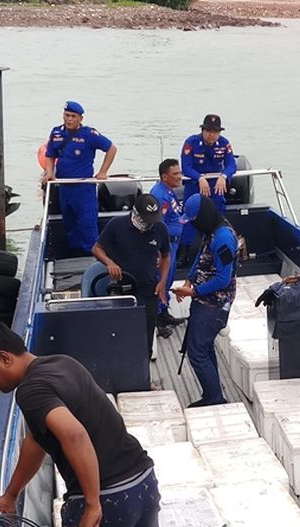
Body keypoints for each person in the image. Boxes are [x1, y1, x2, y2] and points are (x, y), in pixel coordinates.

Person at [0, 320, 159, 527]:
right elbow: (36, 441)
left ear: (4, 358)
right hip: (143, 483)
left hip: (108, 498)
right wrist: (11, 494)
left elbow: (74, 435)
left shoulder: (30, 391)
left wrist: (92, 504)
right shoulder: (63, 363)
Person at [172, 193, 238, 408]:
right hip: (202, 299)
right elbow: (201, 259)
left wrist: (195, 291)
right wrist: (189, 281)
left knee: (197, 352)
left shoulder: (223, 238)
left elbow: (223, 278)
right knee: (205, 347)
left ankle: (214, 397)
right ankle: (213, 392)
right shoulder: (210, 231)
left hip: (214, 304)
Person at [90, 193, 169, 359]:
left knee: (146, 335)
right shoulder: (116, 225)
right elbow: (97, 248)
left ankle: (144, 374)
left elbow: (165, 256)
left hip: (149, 290)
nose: (149, 223)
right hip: (122, 287)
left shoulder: (160, 228)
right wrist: (109, 263)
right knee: (121, 333)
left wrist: (162, 281)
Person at [43, 100, 117, 255]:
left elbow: (111, 148)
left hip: (83, 188)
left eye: (73, 116)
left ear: (80, 119)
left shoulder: (89, 134)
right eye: (67, 115)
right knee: (69, 223)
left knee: (87, 224)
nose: (69, 119)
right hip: (64, 186)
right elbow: (50, 154)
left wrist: (103, 172)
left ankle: (93, 257)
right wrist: (49, 173)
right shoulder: (56, 133)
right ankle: (74, 255)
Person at [150, 158, 186, 337]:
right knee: (160, 280)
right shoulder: (160, 196)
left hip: (174, 243)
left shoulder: (169, 191)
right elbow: (157, 226)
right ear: (165, 177)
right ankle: (155, 319)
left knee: (168, 280)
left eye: (179, 173)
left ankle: (164, 312)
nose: (180, 177)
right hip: (166, 246)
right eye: (175, 174)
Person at [181, 113, 236, 216]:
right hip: (195, 184)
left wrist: (224, 176)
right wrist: (199, 178)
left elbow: (231, 165)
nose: (212, 135)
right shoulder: (191, 143)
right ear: (202, 130)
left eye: (215, 132)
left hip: (216, 185)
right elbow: (186, 167)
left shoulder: (224, 143)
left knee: (218, 214)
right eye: (209, 131)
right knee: (192, 215)